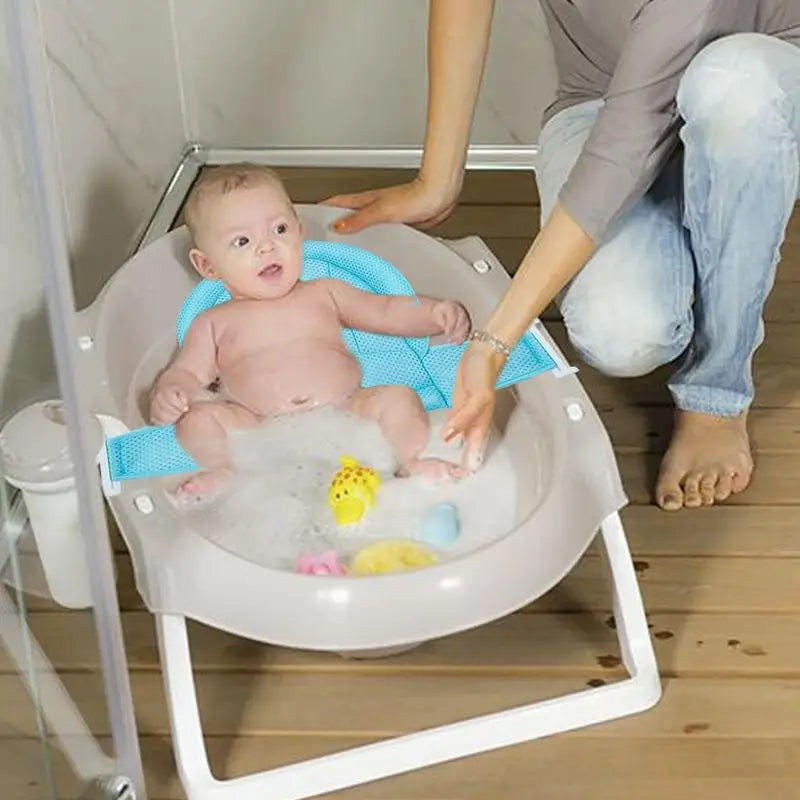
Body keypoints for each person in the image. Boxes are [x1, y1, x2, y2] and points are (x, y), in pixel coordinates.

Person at [322, 0, 800, 511]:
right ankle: (706, 210)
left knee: (734, 83)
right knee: (620, 333)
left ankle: (716, 394)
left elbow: (623, 153)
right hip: (603, 98)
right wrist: (437, 180)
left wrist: (491, 343)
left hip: (762, 96)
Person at [149, 164, 470, 506]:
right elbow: (188, 372)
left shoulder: (324, 293)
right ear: (208, 266)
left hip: (348, 408)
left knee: (398, 398)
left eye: (280, 228)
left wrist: (432, 313)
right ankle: (223, 470)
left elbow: (386, 311)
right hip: (257, 426)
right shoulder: (214, 322)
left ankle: (411, 461)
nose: (267, 247)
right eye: (242, 241)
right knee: (196, 420)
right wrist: (171, 391)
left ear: (300, 233)